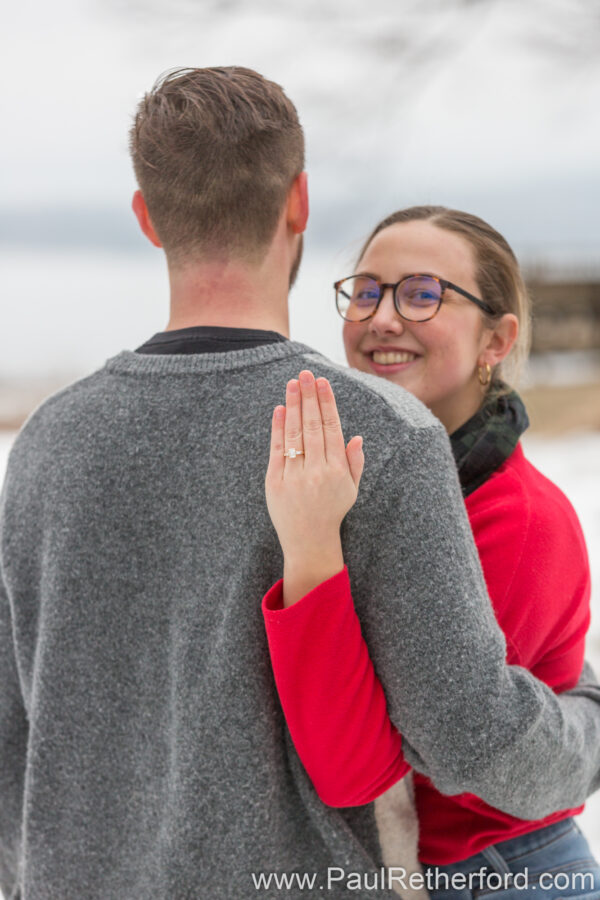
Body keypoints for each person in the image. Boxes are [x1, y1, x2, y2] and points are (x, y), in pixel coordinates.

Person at [1, 68, 600, 900]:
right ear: (298, 206)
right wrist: (586, 729)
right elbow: (471, 738)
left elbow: (13, 739)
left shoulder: (46, 442)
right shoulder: (382, 434)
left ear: (145, 216)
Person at [262, 206, 600, 897]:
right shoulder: (344, 480)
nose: (383, 318)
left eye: (423, 295)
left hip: (498, 872)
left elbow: (410, 735)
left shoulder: (522, 519)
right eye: (366, 291)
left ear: (495, 340)